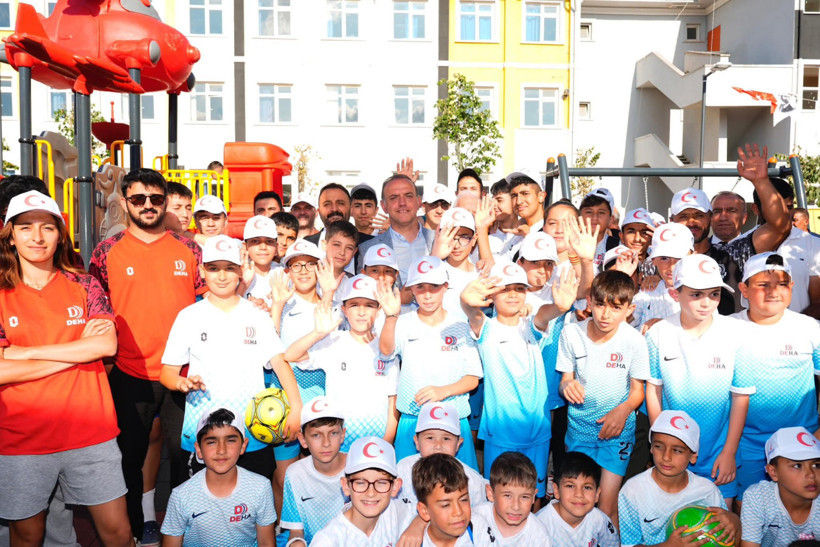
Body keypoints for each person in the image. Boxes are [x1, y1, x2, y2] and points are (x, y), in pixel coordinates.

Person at [0, 191, 131, 547]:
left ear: (60, 233)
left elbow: (105, 346)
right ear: (11, 234)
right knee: (27, 536)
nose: (37, 237)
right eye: (26, 228)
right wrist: (77, 352)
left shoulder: (85, 284)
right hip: (22, 438)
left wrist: (22, 354)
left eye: (47, 227)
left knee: (119, 533)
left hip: (91, 431)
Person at [90, 168, 206, 540]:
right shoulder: (107, 251)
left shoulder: (189, 249)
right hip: (130, 373)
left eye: (156, 199)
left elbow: (207, 302)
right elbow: (97, 311)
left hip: (184, 374)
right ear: (125, 202)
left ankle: (186, 529)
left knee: (187, 457)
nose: (148, 206)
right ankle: (134, 531)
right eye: (139, 199)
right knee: (128, 458)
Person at [159, 235, 302, 480]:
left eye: (229, 268)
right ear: (202, 272)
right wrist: (180, 383)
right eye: (214, 268)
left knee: (252, 506)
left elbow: (279, 361)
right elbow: (167, 373)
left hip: (250, 434)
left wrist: (297, 408)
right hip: (202, 433)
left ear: (241, 272)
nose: (222, 276)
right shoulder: (188, 316)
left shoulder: (256, 315)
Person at [461, 259, 578, 496]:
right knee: (498, 495)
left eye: (519, 289)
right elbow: (471, 310)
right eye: (504, 289)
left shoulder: (531, 325)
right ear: (491, 295)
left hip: (538, 429)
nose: (513, 295)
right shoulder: (486, 328)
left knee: (533, 495)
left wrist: (560, 308)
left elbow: (544, 315)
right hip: (500, 431)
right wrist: (465, 299)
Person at [645, 253, 752, 504]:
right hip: (672, 455)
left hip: (718, 453)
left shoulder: (736, 333)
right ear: (675, 294)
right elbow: (654, 391)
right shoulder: (659, 333)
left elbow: (741, 397)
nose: (706, 302)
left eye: (714, 294)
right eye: (696, 294)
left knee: (718, 532)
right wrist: (661, 444)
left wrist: (729, 452)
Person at [556, 270, 650, 520]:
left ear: (630, 309)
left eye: (616, 307)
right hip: (579, 431)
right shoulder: (571, 334)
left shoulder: (635, 341)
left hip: (617, 433)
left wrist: (622, 412)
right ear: (589, 301)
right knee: (578, 505)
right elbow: (565, 381)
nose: (605, 314)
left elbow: (637, 392)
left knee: (607, 509)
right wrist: (567, 387)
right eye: (599, 305)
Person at [379, 256, 482, 468]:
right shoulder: (403, 322)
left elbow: (472, 378)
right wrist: (390, 317)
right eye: (420, 287)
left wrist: (443, 391)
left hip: (453, 422)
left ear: (446, 287)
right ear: (411, 289)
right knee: (407, 486)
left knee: (459, 487)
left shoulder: (461, 324)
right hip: (412, 419)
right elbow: (386, 351)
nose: (427, 295)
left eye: (434, 287)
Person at [733, 253, 820, 500]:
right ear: (744, 289)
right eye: (763, 285)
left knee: (803, 513)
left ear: (792, 287)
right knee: (745, 510)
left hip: (803, 443)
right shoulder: (725, 329)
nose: (774, 292)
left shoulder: (811, 328)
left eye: (782, 284)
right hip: (745, 444)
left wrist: (816, 438)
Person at [284, 274, 399, 451]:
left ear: (379, 310)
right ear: (344, 310)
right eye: (354, 305)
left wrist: (387, 440)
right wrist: (318, 333)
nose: (361, 312)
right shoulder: (333, 341)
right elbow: (291, 355)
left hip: (377, 441)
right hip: (336, 443)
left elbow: (393, 398)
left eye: (369, 305)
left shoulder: (387, 345)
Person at [671, 144, 792, 312]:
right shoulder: (657, 260)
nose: (692, 222)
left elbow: (780, 226)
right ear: (671, 220)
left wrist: (761, 181)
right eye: (683, 216)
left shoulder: (735, 252)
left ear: (709, 217)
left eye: (699, 215)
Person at [618, 410, 739, 546]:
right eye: (659, 446)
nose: (666, 457)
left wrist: (735, 522)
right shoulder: (633, 491)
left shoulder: (707, 491)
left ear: (693, 456)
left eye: (677, 450)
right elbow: (628, 544)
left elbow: (729, 535)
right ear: (650, 448)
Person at [160, 408, 276, 547]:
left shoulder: (260, 487)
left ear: (243, 445)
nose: (222, 450)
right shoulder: (181, 496)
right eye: (211, 442)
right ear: (198, 449)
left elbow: (266, 543)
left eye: (230, 440)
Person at [311, 436, 414, 546]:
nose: (370, 493)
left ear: (395, 487)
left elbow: (428, 512)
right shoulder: (328, 541)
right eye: (360, 483)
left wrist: (419, 524)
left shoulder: (395, 511)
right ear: (346, 486)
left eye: (381, 483)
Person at [280, 397, 348, 546]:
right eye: (316, 435)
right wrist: (296, 543)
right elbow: (296, 532)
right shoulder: (294, 474)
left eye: (333, 433)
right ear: (302, 439)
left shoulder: (356, 468)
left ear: (343, 434)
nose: (326, 443)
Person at [395, 402, 488, 509]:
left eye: (446, 438)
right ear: (417, 442)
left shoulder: (472, 480)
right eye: (430, 438)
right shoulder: (403, 469)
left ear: (458, 444)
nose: (438, 446)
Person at [740, 427, 820, 546]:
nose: (811, 475)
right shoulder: (758, 497)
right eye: (797, 465)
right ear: (773, 472)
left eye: (816, 465)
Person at [357, 174, 436, 290]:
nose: (402, 203)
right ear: (384, 206)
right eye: (394, 198)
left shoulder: (439, 241)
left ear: (419, 201)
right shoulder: (367, 249)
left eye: (408, 196)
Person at [536, 451, 619, 546]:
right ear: (556, 490)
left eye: (587, 487)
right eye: (570, 486)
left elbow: (612, 543)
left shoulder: (599, 519)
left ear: (597, 494)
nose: (579, 494)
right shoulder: (540, 524)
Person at [412, 453, 493, 546]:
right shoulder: (415, 542)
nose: (458, 512)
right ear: (424, 511)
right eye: (446, 505)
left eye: (464, 500)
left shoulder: (477, 527)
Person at [472, 451, 550, 544]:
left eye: (524, 497)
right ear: (490, 493)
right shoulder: (474, 518)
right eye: (508, 496)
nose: (516, 507)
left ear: (533, 497)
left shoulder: (539, 536)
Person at [630, 223, 694, 330]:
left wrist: (666, 326)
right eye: (664, 258)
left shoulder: (703, 291)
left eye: (679, 258)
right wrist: (622, 276)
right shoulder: (648, 292)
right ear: (654, 260)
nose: (672, 266)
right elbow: (618, 322)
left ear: (692, 256)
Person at [432, 207, 479, 323]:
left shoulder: (482, 274)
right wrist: (434, 258)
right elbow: (408, 296)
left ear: (474, 239)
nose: (456, 245)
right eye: (451, 237)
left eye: (464, 238)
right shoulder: (434, 268)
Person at [238, 215, 282, 307]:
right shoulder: (236, 275)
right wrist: (243, 285)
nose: (263, 247)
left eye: (269, 241)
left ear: (276, 247)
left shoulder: (284, 275)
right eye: (255, 241)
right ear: (245, 246)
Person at [579, 187, 621, 270]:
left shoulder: (618, 247)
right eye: (589, 212)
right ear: (579, 216)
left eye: (601, 212)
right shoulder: (568, 245)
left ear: (610, 219)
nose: (594, 217)